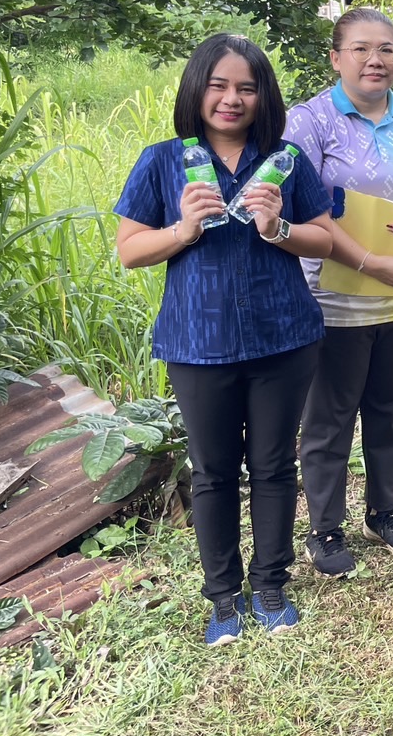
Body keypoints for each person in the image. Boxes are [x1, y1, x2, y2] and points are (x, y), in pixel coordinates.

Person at [114, 34, 334, 645]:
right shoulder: (164, 160)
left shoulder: (285, 158)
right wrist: (183, 228)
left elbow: (323, 237)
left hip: (283, 335)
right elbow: (131, 250)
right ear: (197, 90)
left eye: (246, 87)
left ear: (264, 95)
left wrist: (277, 225)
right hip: (197, 341)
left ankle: (270, 585)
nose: (232, 99)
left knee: (272, 464)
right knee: (212, 472)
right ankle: (222, 599)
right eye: (219, 85)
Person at [287, 7, 393, 578]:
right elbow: (299, 212)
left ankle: (383, 510)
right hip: (334, 297)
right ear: (337, 57)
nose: (375, 59)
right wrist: (366, 260)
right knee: (331, 416)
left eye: (386, 48)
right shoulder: (310, 123)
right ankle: (325, 526)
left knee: (390, 409)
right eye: (361, 49)